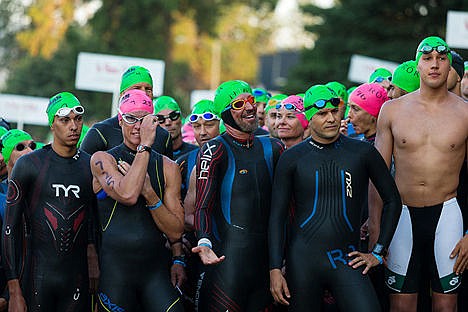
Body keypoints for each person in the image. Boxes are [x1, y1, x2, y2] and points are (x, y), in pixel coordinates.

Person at [268, 84, 402, 311]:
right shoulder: (292, 158)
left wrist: (378, 253)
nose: (330, 118)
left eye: (334, 111)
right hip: (303, 263)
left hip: (347, 260)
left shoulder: (361, 153)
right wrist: (274, 269)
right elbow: (277, 217)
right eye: (321, 114)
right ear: (308, 119)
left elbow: (393, 200)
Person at [369, 36, 468, 312]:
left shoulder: (465, 113)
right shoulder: (392, 110)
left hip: (448, 214)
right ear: (418, 65)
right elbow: (377, 176)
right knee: (401, 305)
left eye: (441, 58)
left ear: (450, 66)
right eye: (427, 59)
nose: (434, 65)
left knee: (447, 305)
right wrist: (377, 227)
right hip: (401, 215)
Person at [192, 80, 284, 311]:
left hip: (266, 264)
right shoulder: (214, 149)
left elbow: (287, 207)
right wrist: (204, 240)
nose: (250, 107)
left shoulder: (274, 147)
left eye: (251, 100)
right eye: (239, 104)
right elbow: (202, 206)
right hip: (227, 264)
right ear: (225, 114)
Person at [90, 89, 185, 312]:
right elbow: (128, 194)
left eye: (144, 120)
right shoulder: (103, 160)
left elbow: (176, 231)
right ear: (120, 120)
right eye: (131, 119)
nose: (138, 126)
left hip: (155, 274)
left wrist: (151, 194)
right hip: (116, 276)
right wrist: (145, 147)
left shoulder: (168, 167)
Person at [2, 92, 96, 311]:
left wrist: (93, 258)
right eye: (65, 120)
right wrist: (14, 291)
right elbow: (9, 230)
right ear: (52, 124)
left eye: (78, 119)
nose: (74, 126)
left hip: (77, 282)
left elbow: (93, 221)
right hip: (37, 280)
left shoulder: (90, 165)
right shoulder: (30, 165)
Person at [80, 65, 173, 159]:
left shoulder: (163, 136)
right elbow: (82, 169)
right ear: (122, 95)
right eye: (137, 88)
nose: (143, 93)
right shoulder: (100, 132)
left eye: (148, 89)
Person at [153, 95, 198, 160]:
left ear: (181, 119)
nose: (168, 123)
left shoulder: (196, 153)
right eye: (160, 118)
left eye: (173, 116)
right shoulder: (149, 155)